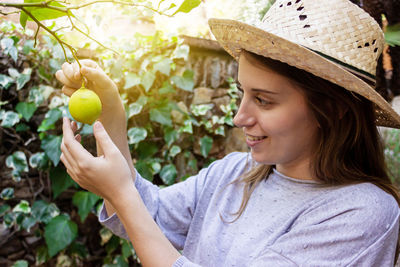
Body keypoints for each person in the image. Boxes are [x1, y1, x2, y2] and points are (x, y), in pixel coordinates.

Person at [56, 0, 400, 266]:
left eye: (263, 101)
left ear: (334, 109)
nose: (239, 117)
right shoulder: (232, 174)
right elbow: (150, 216)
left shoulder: (361, 214)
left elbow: (131, 206)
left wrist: (120, 191)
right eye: (242, 93)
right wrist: (113, 112)